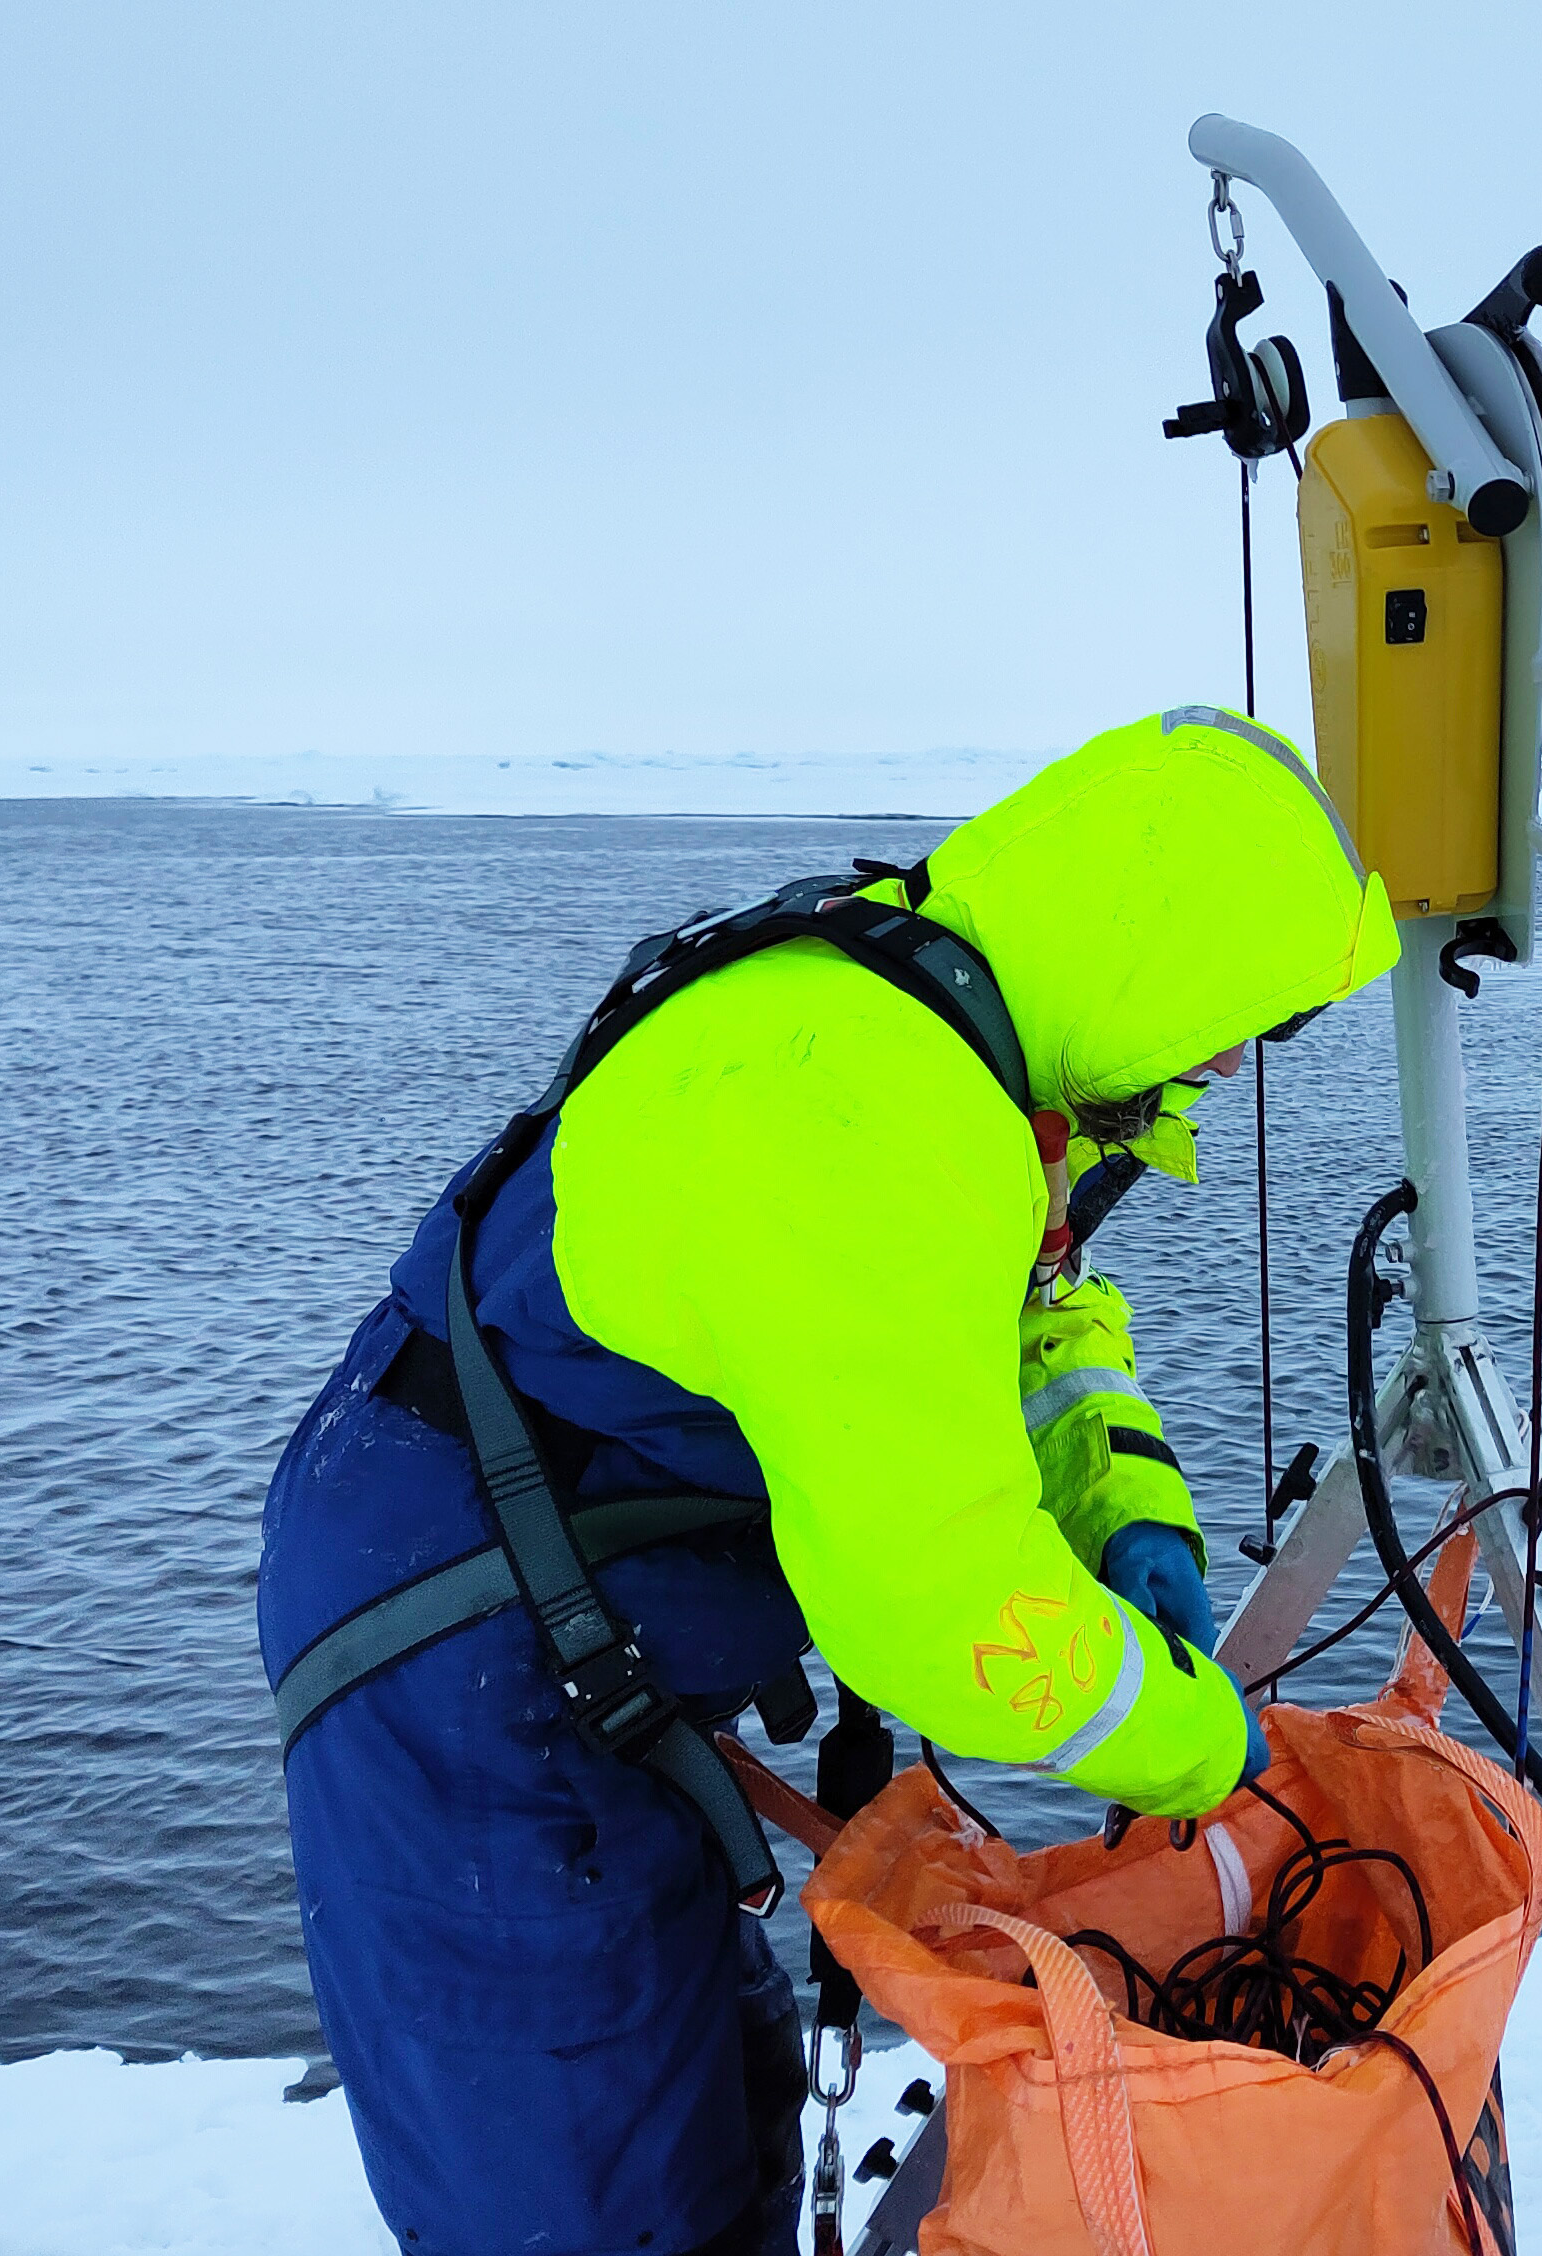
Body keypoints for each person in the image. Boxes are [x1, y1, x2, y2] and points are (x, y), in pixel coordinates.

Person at [257, 706, 1396, 2254]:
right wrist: (1192, 1744)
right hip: (458, 1656)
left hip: (564, 1621)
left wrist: (1133, 1519)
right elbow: (938, 1613)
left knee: (715, 2111)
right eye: (1237, 1015)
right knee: (596, 2197)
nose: (1227, 1060)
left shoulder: (939, 1024)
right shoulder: (868, 1110)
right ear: (1166, 958)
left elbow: (1031, 1315)